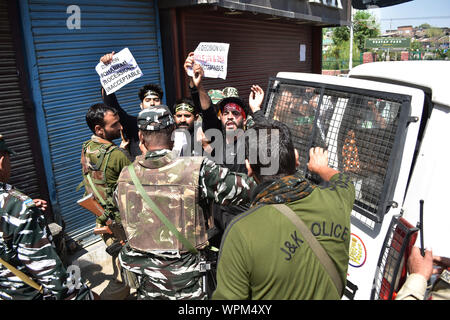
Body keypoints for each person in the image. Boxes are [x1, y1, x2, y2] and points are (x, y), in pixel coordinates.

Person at [115, 106, 258, 300]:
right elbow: (247, 189)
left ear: (140, 137)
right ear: (174, 133)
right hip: (189, 284)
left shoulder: (125, 176)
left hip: (147, 282)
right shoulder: (195, 169)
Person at [212, 122, 356, 300]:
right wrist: (321, 168)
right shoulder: (338, 200)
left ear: (248, 167)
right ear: (296, 158)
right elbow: (345, 181)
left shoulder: (241, 232)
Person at [183, 52, 268, 245]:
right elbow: (206, 110)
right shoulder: (218, 137)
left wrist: (257, 110)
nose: (230, 116)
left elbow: (268, 137)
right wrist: (198, 85)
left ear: (244, 119)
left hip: (244, 216)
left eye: (236, 113)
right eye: (226, 113)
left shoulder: (250, 140)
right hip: (218, 216)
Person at [0, 134, 93, 300]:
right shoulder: (16, 207)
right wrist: (84, 295)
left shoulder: (14, 207)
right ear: (1, 161)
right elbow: (53, 278)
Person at [79, 103, 131, 299]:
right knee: (124, 276)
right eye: (115, 125)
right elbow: (138, 187)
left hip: (102, 217)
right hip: (120, 224)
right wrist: (123, 153)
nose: (120, 128)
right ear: (99, 130)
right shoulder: (118, 155)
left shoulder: (87, 147)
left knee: (121, 265)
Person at [100, 51, 165, 161]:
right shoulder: (131, 124)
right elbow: (111, 104)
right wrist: (106, 72)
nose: (152, 103)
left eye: (156, 100)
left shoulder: (169, 124)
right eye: (148, 100)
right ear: (141, 105)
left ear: (161, 104)